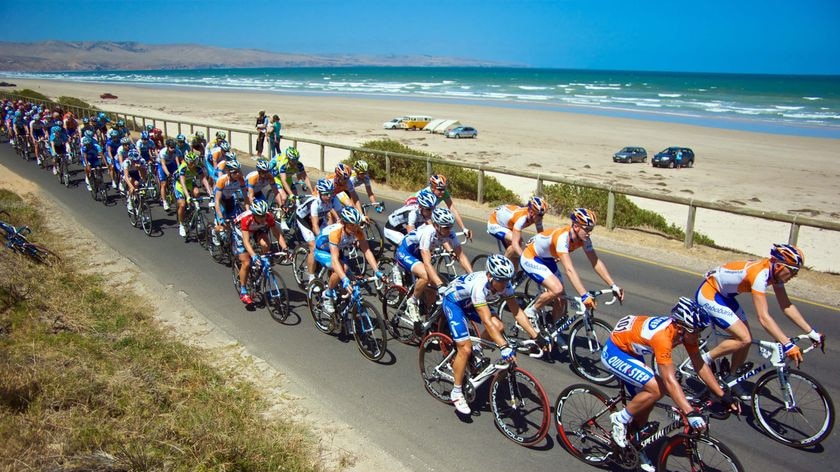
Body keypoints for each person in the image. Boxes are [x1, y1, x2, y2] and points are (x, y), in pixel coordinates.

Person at [602, 298, 740, 472]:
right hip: (615, 351)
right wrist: (689, 411)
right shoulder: (663, 337)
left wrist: (722, 395)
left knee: (646, 403)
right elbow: (668, 380)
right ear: (681, 328)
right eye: (697, 331)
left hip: (632, 350)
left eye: (701, 330)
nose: (699, 335)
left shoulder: (685, 333)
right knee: (657, 388)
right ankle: (619, 419)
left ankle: (634, 445)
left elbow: (700, 365)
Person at [694, 243, 823, 399]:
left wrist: (811, 332)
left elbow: (786, 306)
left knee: (745, 339)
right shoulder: (760, 275)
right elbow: (763, 317)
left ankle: (731, 377)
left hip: (725, 297)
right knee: (744, 338)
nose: (794, 276)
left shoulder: (775, 274)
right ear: (780, 266)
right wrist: (787, 344)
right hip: (709, 293)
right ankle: (701, 362)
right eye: (793, 271)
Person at [444, 255, 548, 415]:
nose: (505, 285)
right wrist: (504, 347)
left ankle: (477, 350)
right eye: (501, 280)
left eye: (507, 280)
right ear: (490, 276)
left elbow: (517, 312)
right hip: (455, 302)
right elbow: (486, 321)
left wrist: (536, 336)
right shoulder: (480, 286)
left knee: (499, 326)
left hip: (471, 303)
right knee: (464, 349)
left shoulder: (505, 285)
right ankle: (456, 392)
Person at [520, 208, 624, 335]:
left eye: (591, 230)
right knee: (557, 289)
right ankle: (529, 313)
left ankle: (551, 331)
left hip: (547, 259)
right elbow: (569, 269)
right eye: (586, 229)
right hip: (531, 257)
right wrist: (584, 295)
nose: (589, 233)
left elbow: (595, 262)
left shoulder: (584, 240)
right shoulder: (562, 238)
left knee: (562, 298)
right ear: (575, 226)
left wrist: (613, 285)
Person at [395, 208, 472, 323]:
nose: (449, 230)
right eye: (446, 227)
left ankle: (428, 315)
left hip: (419, 254)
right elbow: (427, 262)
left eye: (450, 226)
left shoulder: (449, 232)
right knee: (426, 276)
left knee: (433, 289)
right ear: (436, 225)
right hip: (406, 252)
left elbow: (460, 255)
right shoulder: (428, 232)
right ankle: (412, 301)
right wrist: (440, 285)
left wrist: (472, 275)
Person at [314, 207, 384, 317]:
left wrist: (377, 271)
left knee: (352, 279)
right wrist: (343, 278)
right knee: (343, 270)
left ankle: (343, 308)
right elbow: (335, 259)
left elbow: (367, 251)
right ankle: (327, 294)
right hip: (322, 250)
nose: (355, 228)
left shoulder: (357, 231)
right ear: (343, 223)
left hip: (337, 248)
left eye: (356, 225)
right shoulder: (336, 232)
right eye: (351, 225)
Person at [233, 199, 290, 305]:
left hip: (256, 228)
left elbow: (277, 234)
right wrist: (253, 255)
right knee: (246, 262)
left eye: (264, 215)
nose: (263, 218)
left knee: (265, 245)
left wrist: (285, 249)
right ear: (254, 214)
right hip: (241, 231)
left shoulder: (267, 217)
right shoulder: (247, 219)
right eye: (260, 216)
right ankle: (243, 290)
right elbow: (245, 241)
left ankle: (259, 268)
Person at [296, 178, 342, 286]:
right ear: (320, 193)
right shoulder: (315, 203)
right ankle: (311, 278)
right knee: (314, 246)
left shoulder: (334, 199)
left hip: (320, 217)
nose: (329, 196)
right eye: (326, 194)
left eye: (331, 193)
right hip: (304, 220)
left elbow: (340, 217)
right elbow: (315, 225)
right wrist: (321, 238)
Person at [486, 196, 548, 267]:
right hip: (495, 223)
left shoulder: (536, 217)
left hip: (506, 222)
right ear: (531, 212)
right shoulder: (521, 219)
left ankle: (513, 277)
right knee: (517, 244)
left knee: (516, 257)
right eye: (540, 215)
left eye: (542, 215)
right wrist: (526, 259)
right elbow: (515, 244)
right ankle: (501, 268)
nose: (541, 217)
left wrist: (550, 252)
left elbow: (541, 236)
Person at [411, 174, 471, 240]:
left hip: (427, 210)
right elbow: (427, 217)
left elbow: (452, 208)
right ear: (433, 188)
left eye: (444, 189)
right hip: (414, 206)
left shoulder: (444, 193)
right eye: (440, 189)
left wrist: (463, 228)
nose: (442, 192)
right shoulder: (427, 194)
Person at [175, 151, 214, 237]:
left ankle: (195, 210)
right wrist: (188, 196)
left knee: (197, 192)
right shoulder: (183, 168)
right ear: (187, 162)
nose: (193, 165)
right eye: (191, 163)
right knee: (182, 204)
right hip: (180, 185)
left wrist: (210, 193)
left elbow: (204, 180)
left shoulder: (197, 168)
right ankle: (181, 225)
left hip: (190, 182)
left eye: (194, 162)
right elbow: (183, 183)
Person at [211, 159, 249, 240]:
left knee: (233, 223)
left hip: (230, 198)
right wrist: (221, 218)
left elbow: (246, 197)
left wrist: (248, 212)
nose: (238, 174)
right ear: (229, 172)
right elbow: (217, 201)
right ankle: (214, 231)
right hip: (221, 200)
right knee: (223, 225)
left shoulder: (241, 179)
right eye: (235, 172)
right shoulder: (222, 180)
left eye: (238, 171)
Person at [157, 139, 182, 211]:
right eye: (171, 147)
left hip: (171, 164)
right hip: (162, 165)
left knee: (177, 179)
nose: (173, 149)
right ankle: (164, 202)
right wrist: (168, 174)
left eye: (174, 147)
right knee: (163, 183)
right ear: (167, 147)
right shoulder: (163, 152)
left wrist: (180, 170)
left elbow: (178, 163)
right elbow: (163, 165)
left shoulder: (177, 151)